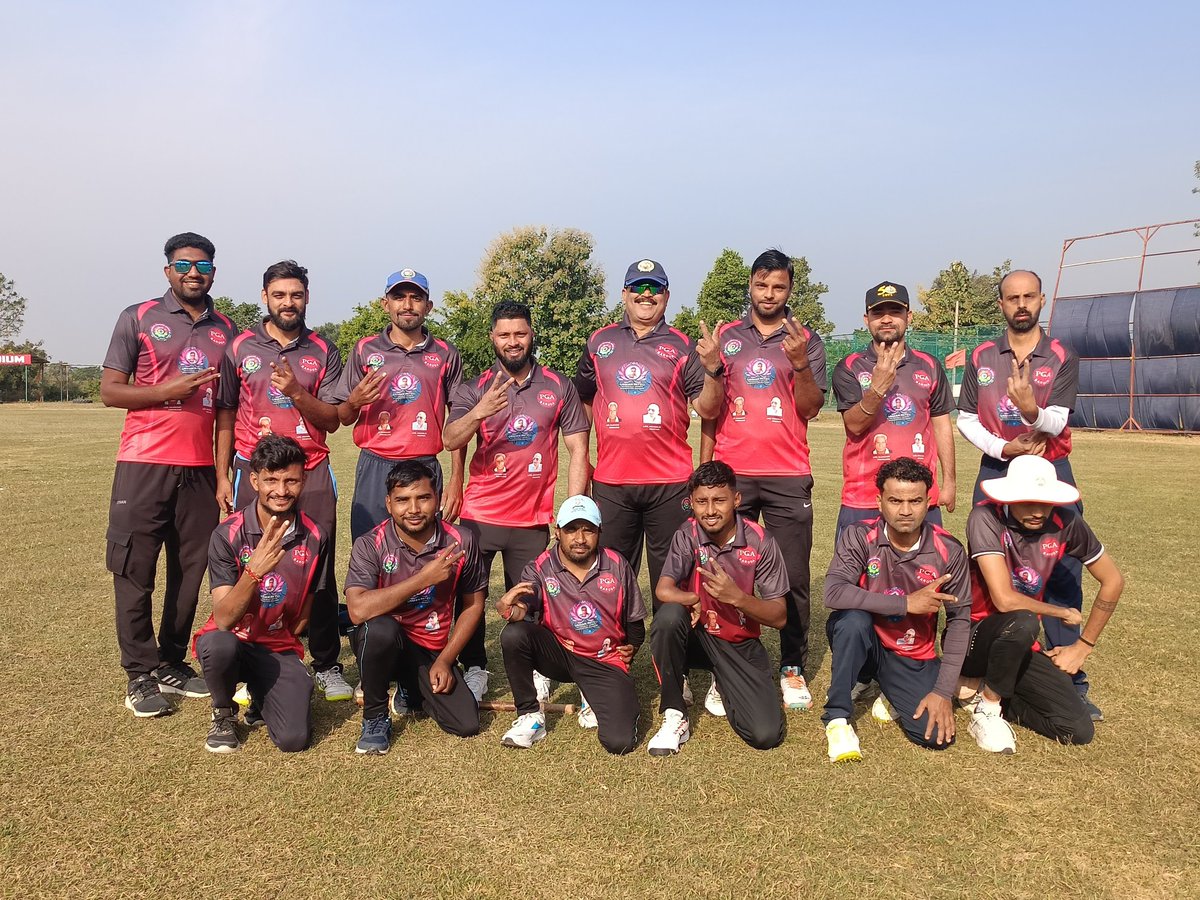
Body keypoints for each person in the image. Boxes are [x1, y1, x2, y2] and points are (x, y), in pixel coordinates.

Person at [100, 232, 239, 717]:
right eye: (183, 265)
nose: (193, 272)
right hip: (144, 462)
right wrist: (168, 390)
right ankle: (139, 673)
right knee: (135, 568)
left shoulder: (227, 329)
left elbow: (226, 412)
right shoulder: (138, 316)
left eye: (202, 265)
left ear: (213, 272)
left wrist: (223, 475)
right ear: (168, 272)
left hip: (201, 470)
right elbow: (111, 392)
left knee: (191, 571)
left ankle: (171, 661)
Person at [955, 270, 1097, 718]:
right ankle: (976, 669)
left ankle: (1070, 678)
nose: (1021, 304)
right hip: (997, 467)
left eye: (1028, 296)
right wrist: (1003, 446)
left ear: (1042, 300)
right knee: (985, 571)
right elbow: (965, 419)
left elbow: (1058, 420)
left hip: (1049, 468)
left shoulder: (1060, 354)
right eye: (1012, 297)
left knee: (1061, 571)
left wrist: (1031, 410)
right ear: (1000, 304)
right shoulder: (982, 354)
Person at [214, 260, 352, 704]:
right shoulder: (239, 347)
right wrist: (223, 474)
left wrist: (296, 391)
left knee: (320, 570)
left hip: (309, 471)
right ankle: (246, 658)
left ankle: (327, 663)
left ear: (307, 298)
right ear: (265, 298)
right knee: (249, 563)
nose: (288, 302)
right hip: (255, 472)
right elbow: (225, 414)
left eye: (296, 294)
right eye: (279, 295)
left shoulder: (323, 350)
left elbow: (330, 419)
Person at [443, 300, 590, 702]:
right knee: (470, 595)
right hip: (479, 515)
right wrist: (479, 412)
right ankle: (475, 667)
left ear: (531, 334)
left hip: (530, 518)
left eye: (520, 333)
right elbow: (450, 439)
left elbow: (579, 448)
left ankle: (538, 667)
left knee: (527, 596)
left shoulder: (558, 386)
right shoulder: (474, 387)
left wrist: (574, 510)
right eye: (505, 334)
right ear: (493, 337)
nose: (513, 342)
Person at [700, 249, 827, 712]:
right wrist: (713, 366)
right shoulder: (727, 338)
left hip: (788, 473)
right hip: (735, 472)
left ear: (790, 290)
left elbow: (811, 407)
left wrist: (800, 364)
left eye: (779, 287)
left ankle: (791, 666)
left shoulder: (806, 339)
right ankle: (726, 663)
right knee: (726, 571)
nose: (769, 294)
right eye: (761, 285)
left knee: (791, 576)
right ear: (750, 286)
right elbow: (709, 411)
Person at [574, 259, 723, 612]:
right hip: (612, 482)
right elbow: (582, 396)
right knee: (608, 578)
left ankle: (675, 664)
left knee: (672, 580)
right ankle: (611, 658)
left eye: (654, 288)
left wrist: (714, 369)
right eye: (638, 287)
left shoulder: (684, 345)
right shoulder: (599, 341)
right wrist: (589, 448)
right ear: (624, 294)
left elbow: (708, 408)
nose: (646, 294)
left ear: (666, 296)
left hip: (669, 484)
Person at [960, 455, 1123, 752]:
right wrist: (1060, 611)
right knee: (1022, 620)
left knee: (1078, 728)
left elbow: (1113, 581)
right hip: (975, 636)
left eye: (1045, 502)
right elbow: (1004, 599)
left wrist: (1083, 646)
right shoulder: (985, 517)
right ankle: (987, 709)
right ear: (1010, 497)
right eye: (1027, 501)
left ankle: (992, 693)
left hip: (1020, 641)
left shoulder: (1067, 522)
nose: (1038, 512)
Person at [821, 458, 970, 762]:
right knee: (851, 621)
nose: (905, 510)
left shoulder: (949, 550)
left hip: (910, 651)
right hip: (867, 639)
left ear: (929, 501)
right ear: (879, 501)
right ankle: (837, 718)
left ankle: (889, 689)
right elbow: (834, 592)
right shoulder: (858, 535)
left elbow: (959, 621)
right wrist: (905, 604)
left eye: (915, 501)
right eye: (895, 500)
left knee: (933, 737)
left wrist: (942, 692)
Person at [192, 436, 330, 752]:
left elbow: (304, 616)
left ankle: (263, 694)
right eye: (271, 480)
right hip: (233, 640)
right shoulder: (227, 535)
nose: (281, 491)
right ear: (254, 480)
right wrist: (253, 573)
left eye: (291, 480)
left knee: (294, 739)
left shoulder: (315, 535)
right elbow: (224, 618)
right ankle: (223, 713)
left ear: (303, 480)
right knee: (217, 643)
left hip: (276, 644)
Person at [343, 461, 487, 754]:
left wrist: (446, 660)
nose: (413, 509)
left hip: (430, 648)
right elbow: (357, 610)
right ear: (388, 503)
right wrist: (422, 579)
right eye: (402, 500)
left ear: (437, 497)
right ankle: (375, 717)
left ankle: (410, 688)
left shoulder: (462, 540)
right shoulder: (370, 543)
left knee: (466, 723)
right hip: (384, 640)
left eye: (423, 498)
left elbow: (473, 605)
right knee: (380, 628)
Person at [649, 461, 789, 755]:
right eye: (701, 501)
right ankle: (675, 713)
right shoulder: (686, 534)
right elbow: (663, 589)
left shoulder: (760, 541)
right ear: (692, 503)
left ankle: (723, 679)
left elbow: (779, 616)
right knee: (668, 617)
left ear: (736, 500)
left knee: (765, 735)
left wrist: (737, 597)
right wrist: (693, 599)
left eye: (719, 500)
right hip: (697, 635)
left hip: (738, 641)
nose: (710, 510)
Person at [495, 495, 646, 754]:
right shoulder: (540, 567)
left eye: (588, 530)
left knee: (619, 743)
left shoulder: (618, 565)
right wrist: (506, 610)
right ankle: (530, 715)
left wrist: (633, 646)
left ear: (600, 532)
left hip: (604, 660)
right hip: (560, 654)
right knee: (514, 635)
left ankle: (592, 694)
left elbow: (635, 622)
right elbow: (524, 611)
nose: (579, 539)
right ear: (557, 532)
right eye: (571, 530)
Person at [334, 268, 465, 543]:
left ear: (428, 306)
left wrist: (456, 480)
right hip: (375, 464)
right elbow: (344, 418)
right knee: (369, 548)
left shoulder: (445, 353)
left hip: (424, 464)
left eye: (416, 298)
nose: (407, 305)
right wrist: (354, 402)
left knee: (424, 552)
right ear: (386, 304)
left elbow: (459, 422)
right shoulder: (365, 349)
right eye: (399, 297)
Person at [832, 281, 956, 536]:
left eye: (895, 312)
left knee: (924, 573)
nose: (886, 319)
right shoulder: (850, 366)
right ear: (867, 319)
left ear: (908, 317)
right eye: (878, 313)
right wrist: (877, 389)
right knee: (857, 575)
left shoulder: (929, 365)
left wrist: (950, 482)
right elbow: (854, 425)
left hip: (921, 496)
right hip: (864, 497)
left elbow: (941, 424)